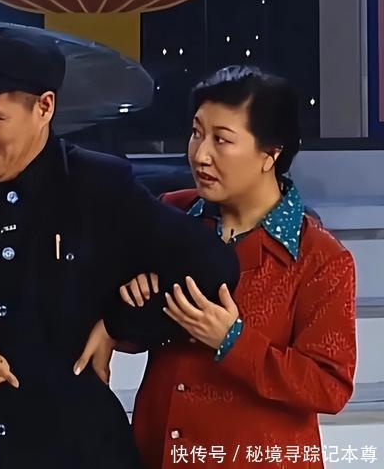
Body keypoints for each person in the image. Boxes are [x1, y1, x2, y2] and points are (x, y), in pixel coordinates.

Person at [0, 27, 239, 469]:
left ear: (44, 107)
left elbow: (212, 264)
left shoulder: (99, 185)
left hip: (75, 446)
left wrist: (120, 324)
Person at [102, 66, 356, 468]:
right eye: (197, 133)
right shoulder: (171, 212)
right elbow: (135, 336)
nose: (200, 154)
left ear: (270, 153)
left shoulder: (320, 257)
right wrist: (132, 299)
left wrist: (232, 340)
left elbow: (329, 386)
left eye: (221, 139)